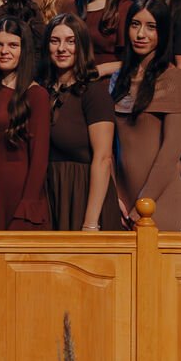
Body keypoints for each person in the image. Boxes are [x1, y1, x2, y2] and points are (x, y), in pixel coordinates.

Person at [110, 0, 181, 232]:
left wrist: (143, 204)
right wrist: (115, 198)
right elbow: (109, 150)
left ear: (162, 32)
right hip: (121, 199)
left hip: (160, 199)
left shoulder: (173, 78)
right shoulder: (117, 79)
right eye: (135, 25)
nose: (141, 34)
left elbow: (172, 150)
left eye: (151, 27)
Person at [42, 14, 117, 232]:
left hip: (84, 195)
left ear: (81, 46)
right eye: (55, 41)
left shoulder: (93, 92)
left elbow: (103, 158)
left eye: (70, 41)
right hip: (52, 193)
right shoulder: (42, 90)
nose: (61, 48)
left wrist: (91, 223)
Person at [0, 18, 51, 230]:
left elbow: (39, 159)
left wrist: (26, 207)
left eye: (13, 45)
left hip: (19, 192)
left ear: (24, 50)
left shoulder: (36, 95)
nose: (4, 51)